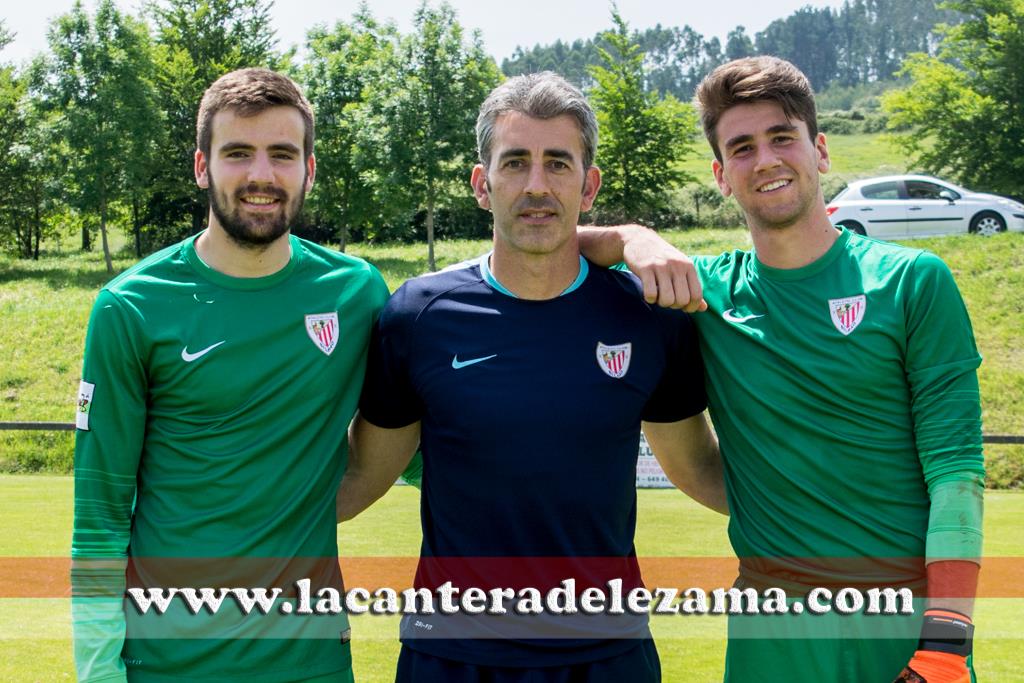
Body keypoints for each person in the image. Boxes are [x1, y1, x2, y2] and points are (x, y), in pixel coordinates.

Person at [579, 56, 984, 682]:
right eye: (741, 147)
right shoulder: (703, 293)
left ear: (819, 151)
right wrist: (635, 236)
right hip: (772, 621)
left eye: (782, 137)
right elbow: (548, 242)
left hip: (906, 620)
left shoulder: (911, 280)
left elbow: (956, 469)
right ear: (720, 175)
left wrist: (947, 640)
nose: (765, 159)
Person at [337, 72, 725, 683]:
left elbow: (701, 471)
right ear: (481, 184)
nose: (537, 185)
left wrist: (833, 504)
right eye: (515, 162)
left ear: (589, 185)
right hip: (452, 658)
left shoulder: (651, 319)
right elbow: (360, 479)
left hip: (608, 656)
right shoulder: (418, 316)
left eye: (558, 164)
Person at [71, 68, 389, 683]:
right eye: (238, 153)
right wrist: (97, 671)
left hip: (311, 661)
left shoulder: (356, 294)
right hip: (167, 663)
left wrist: (613, 241)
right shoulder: (130, 306)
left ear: (309, 169)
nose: (261, 176)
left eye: (282, 154)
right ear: (201, 166)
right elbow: (100, 519)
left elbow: (407, 439)